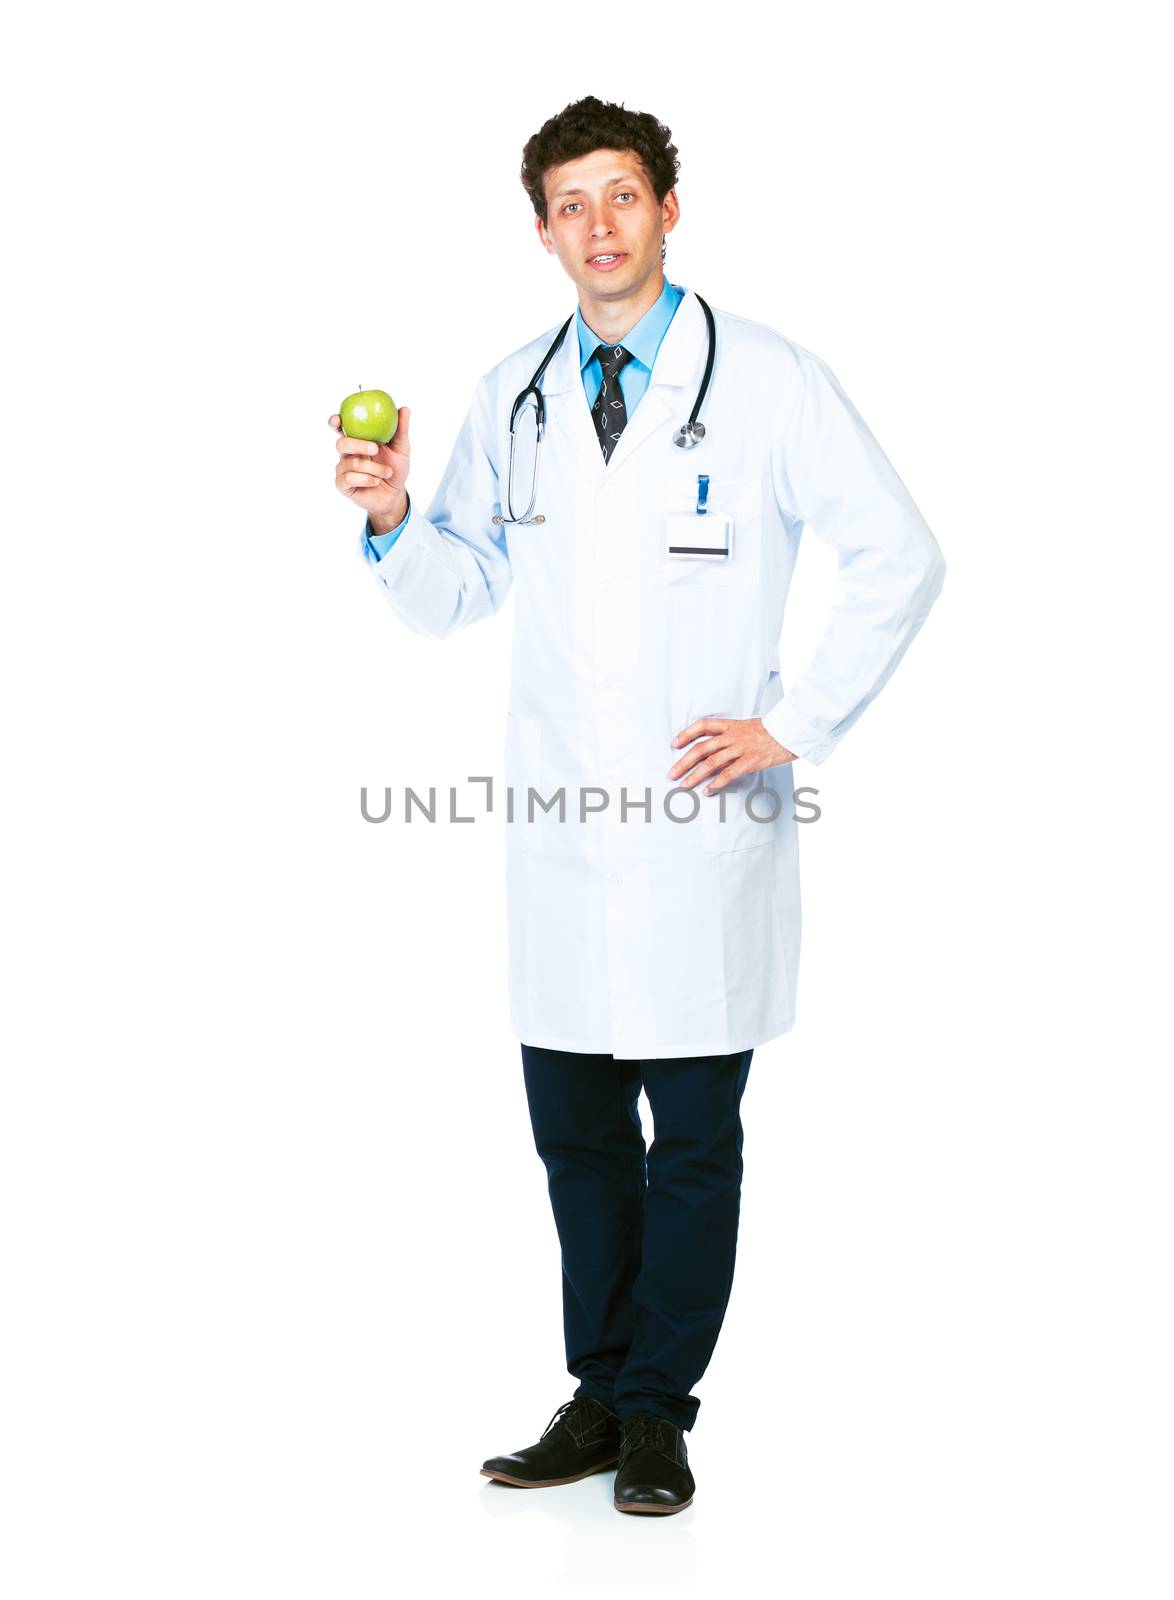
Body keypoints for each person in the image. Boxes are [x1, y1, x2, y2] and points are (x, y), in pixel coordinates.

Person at [330, 95, 946, 1516]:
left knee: (695, 1146)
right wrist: (387, 515)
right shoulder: (512, 392)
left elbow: (898, 558)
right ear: (539, 230)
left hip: (697, 835)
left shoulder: (774, 382)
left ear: (669, 208)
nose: (595, 227)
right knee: (578, 1144)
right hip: (558, 842)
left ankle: (659, 1408)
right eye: (568, 205)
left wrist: (788, 727)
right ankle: (595, 1394)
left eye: (621, 197)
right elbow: (453, 596)